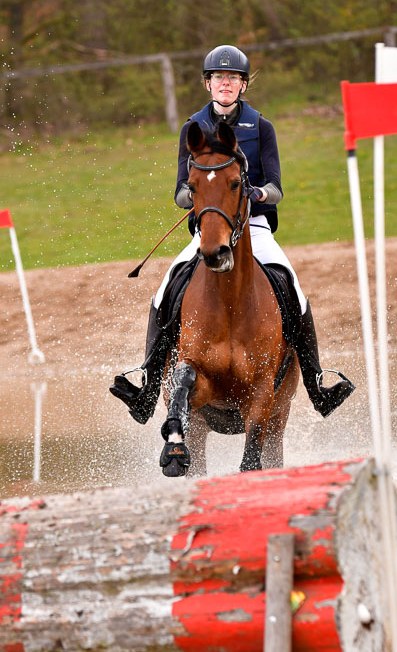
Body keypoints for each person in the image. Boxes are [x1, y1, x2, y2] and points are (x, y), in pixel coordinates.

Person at [110, 45, 354, 423]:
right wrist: (198, 195)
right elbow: (178, 192)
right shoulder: (192, 128)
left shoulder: (260, 127)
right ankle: (145, 381)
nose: (226, 84)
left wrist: (255, 193)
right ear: (208, 84)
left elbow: (276, 187)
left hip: (252, 226)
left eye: (233, 78)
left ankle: (317, 381)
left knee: (293, 286)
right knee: (165, 290)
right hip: (209, 227)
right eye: (219, 78)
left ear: (243, 85)